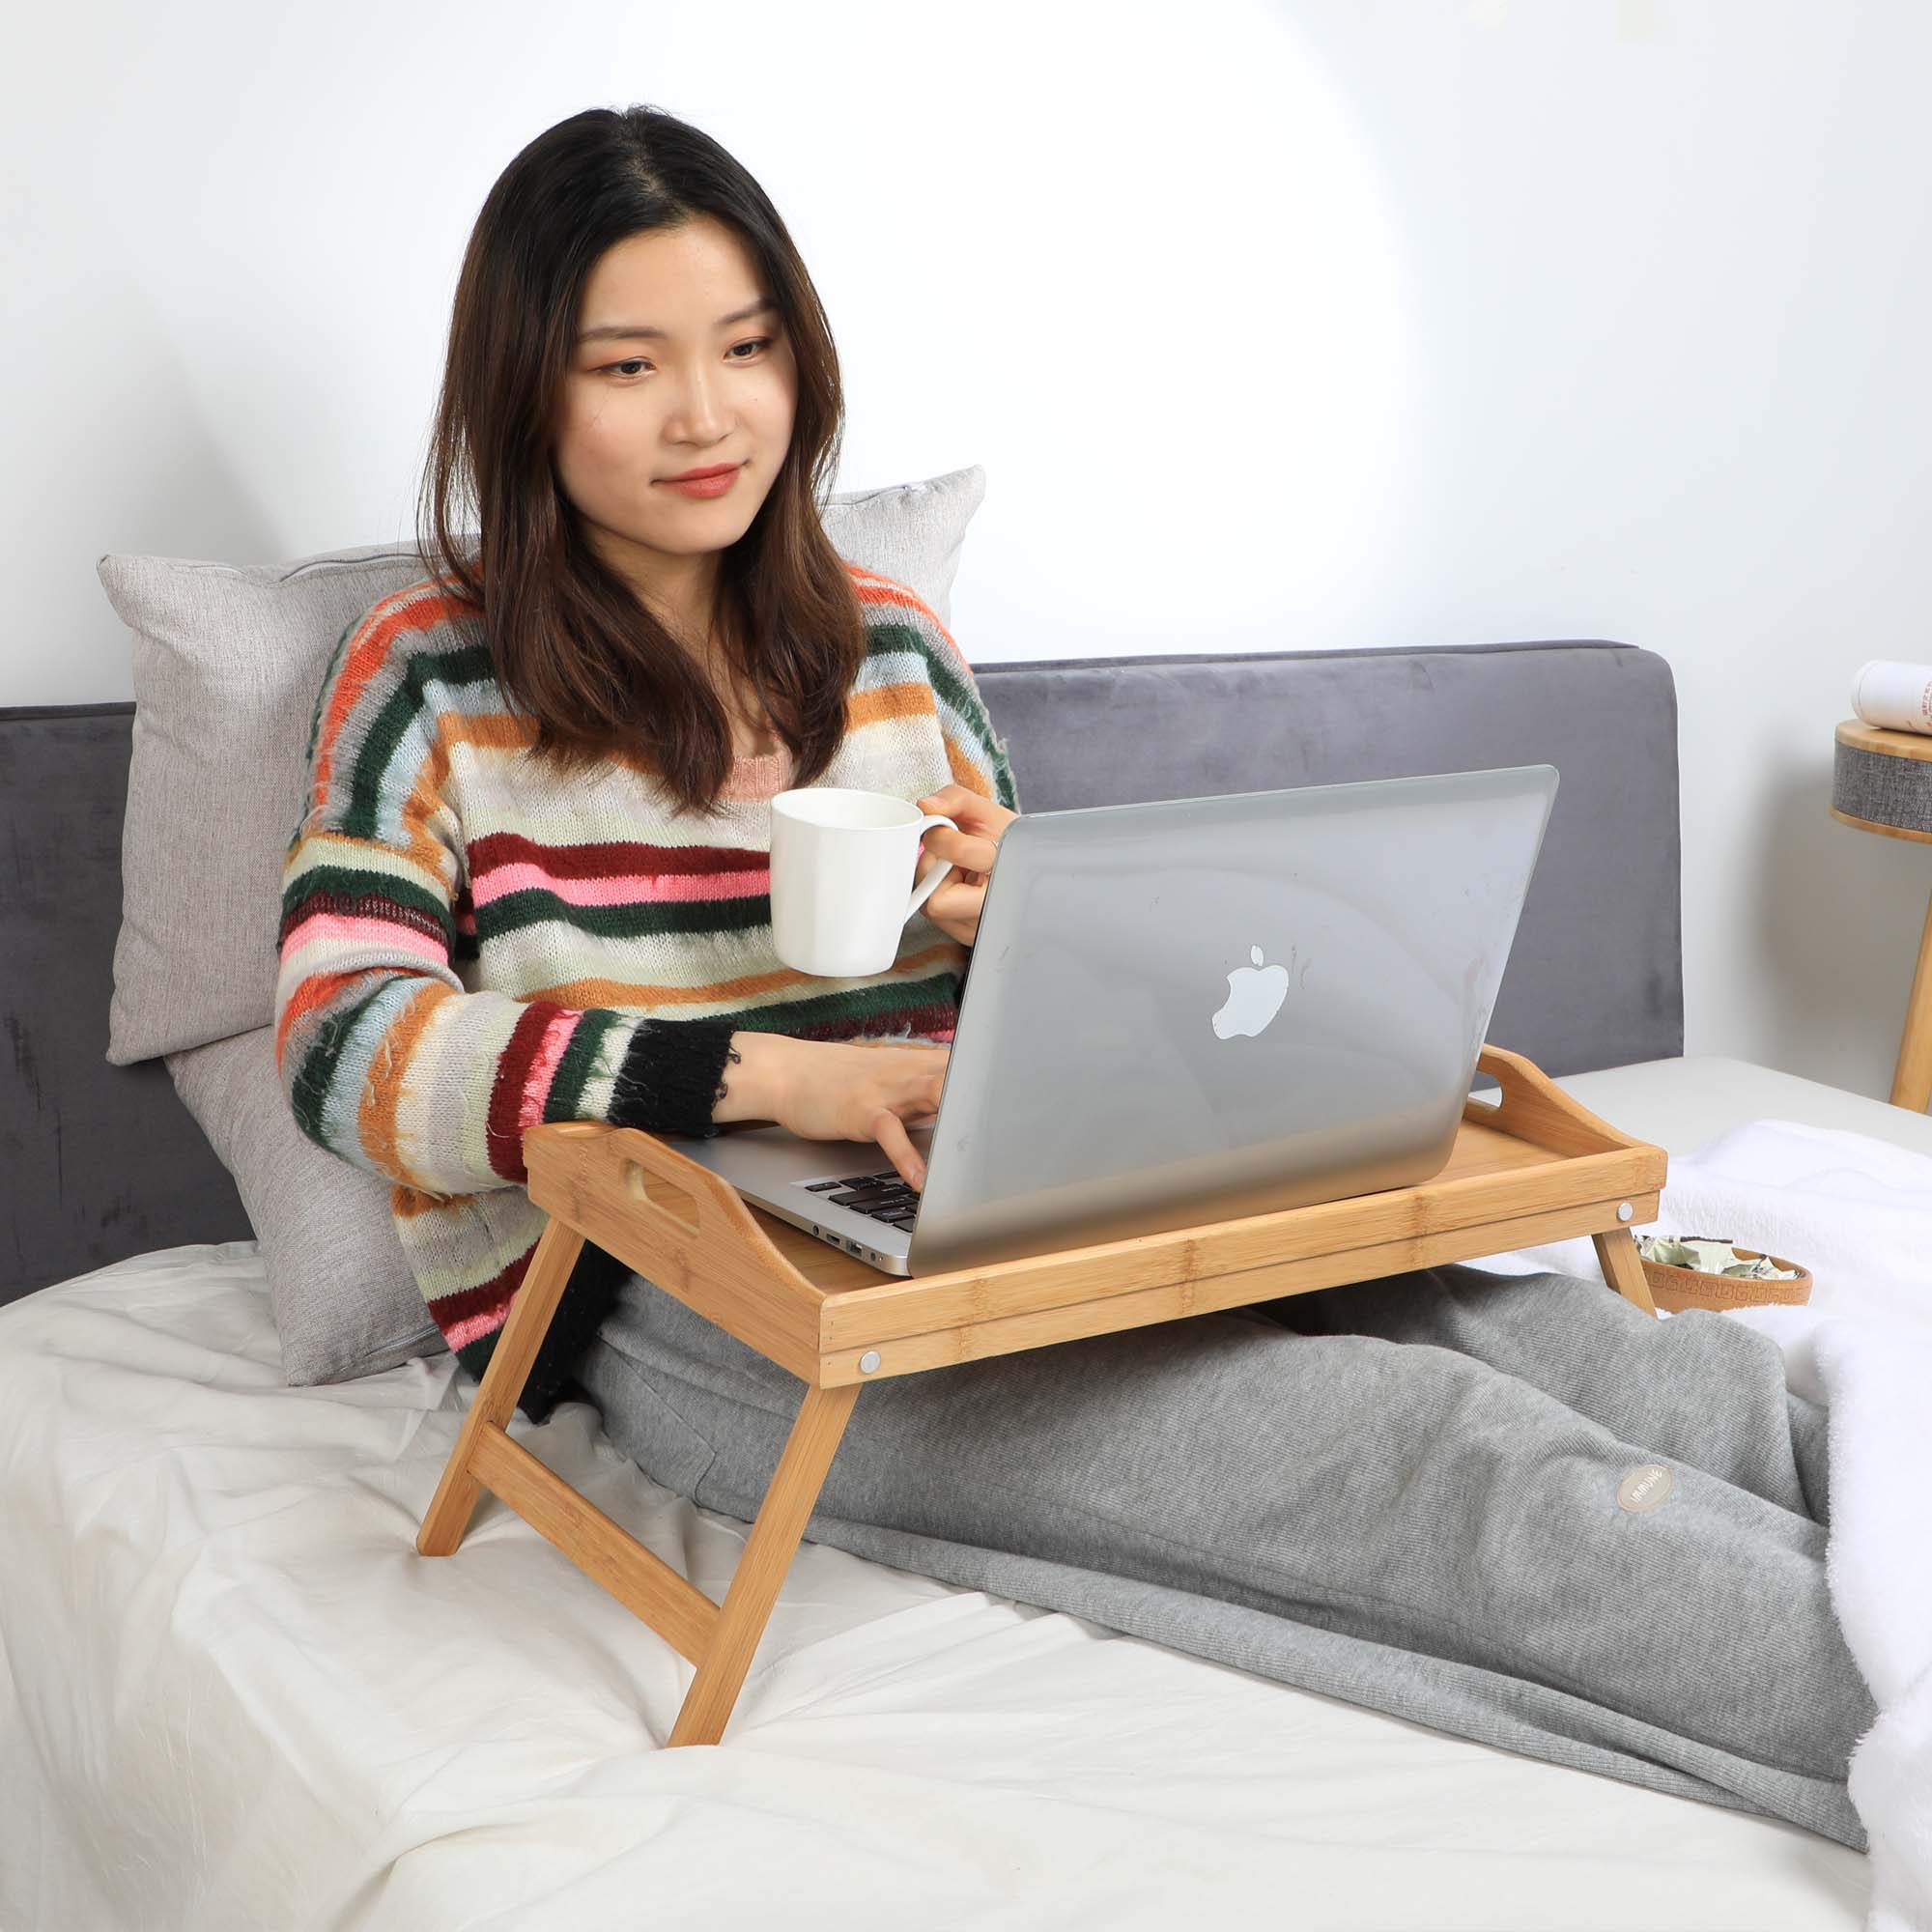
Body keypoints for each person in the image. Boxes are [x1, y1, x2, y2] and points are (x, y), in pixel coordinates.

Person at [276, 103, 1875, 1853]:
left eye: (747, 349)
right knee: (1429, 1464)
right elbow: (346, 1048)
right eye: (628, 365)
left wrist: (1003, 925)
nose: (707, 414)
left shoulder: (886, 641)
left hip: (986, 1178)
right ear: (525, 393)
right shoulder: (426, 674)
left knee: (1634, 1369)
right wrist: (769, 1084)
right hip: (684, 1279)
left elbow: (1053, 992)